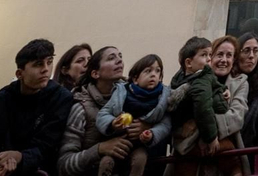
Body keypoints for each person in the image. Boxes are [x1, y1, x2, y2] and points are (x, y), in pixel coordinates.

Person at [0, 40, 75, 176]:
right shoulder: (2, 99)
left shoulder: (61, 98)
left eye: (49, 61)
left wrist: (20, 157)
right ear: (19, 74)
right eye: (38, 64)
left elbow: (48, 145)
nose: (46, 69)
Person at [56, 46, 134, 176]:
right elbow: (64, 164)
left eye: (120, 56)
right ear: (95, 73)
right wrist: (99, 149)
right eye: (111, 58)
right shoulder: (80, 108)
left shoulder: (133, 96)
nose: (119, 60)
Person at [95, 56, 169, 176]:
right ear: (135, 79)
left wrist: (152, 133)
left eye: (157, 71)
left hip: (143, 146)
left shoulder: (163, 99)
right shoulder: (121, 93)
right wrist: (113, 123)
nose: (153, 75)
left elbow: (165, 124)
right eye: (148, 71)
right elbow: (103, 114)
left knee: (139, 160)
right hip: (119, 141)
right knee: (106, 162)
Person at [165, 38, 228, 174]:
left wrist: (223, 89)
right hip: (195, 138)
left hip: (182, 136)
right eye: (204, 55)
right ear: (188, 62)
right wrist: (211, 137)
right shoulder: (201, 80)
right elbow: (203, 107)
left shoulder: (180, 79)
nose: (209, 59)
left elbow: (215, 85)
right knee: (231, 154)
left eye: (210, 55)